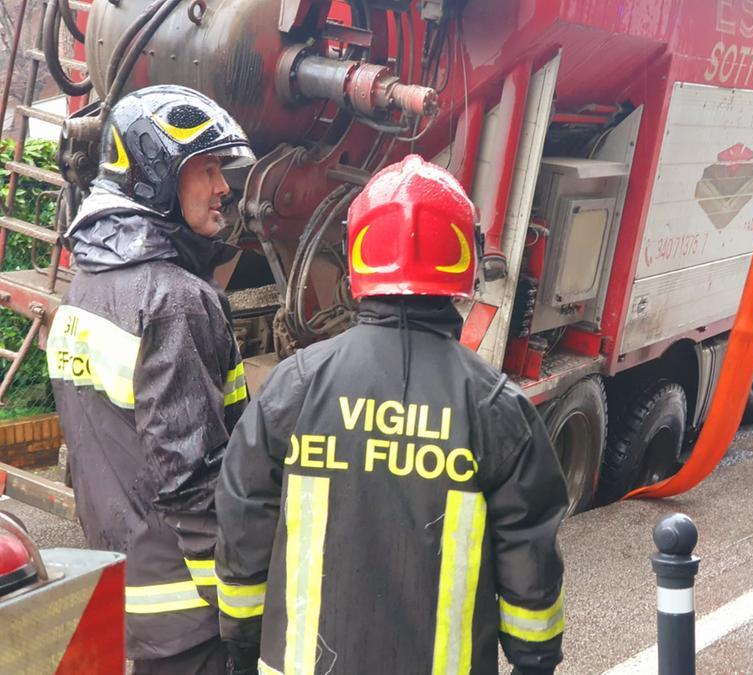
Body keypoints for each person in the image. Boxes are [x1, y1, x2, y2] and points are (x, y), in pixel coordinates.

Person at [215, 155, 568, 675]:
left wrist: (243, 647)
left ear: (359, 254)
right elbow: (529, 561)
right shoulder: (495, 407)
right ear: (462, 258)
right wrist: (533, 663)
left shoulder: (294, 386)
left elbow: (244, 523)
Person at [47, 84, 256, 674]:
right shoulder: (175, 300)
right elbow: (192, 480)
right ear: (157, 177)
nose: (224, 188)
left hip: (126, 595)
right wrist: (238, 608)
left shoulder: (86, 285)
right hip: (189, 617)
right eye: (207, 169)